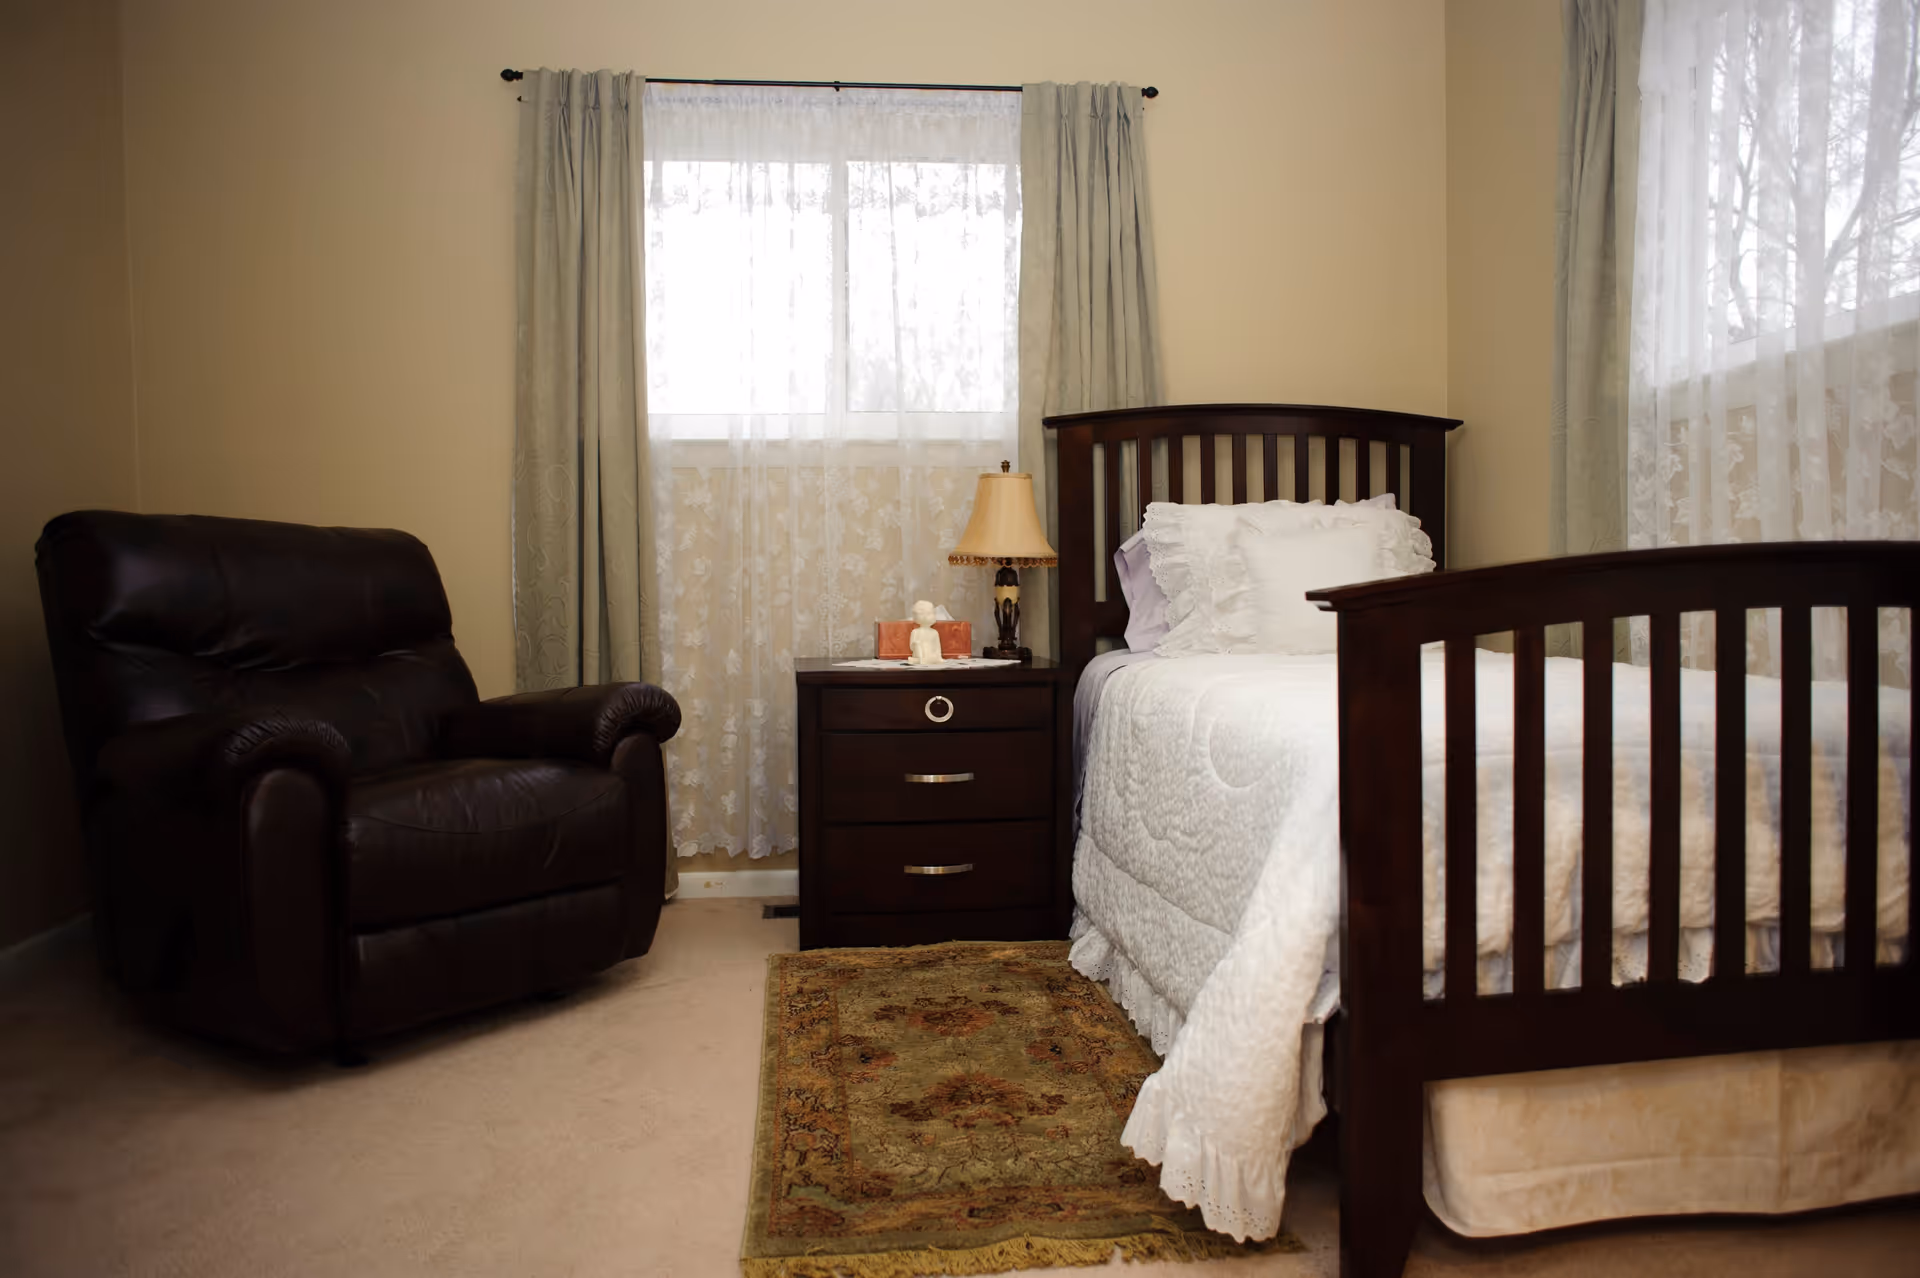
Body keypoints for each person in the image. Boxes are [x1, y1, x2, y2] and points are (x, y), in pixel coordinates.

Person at [907, 599, 945, 666]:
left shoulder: (934, 632)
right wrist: (916, 645)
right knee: (918, 646)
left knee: (933, 658)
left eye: (933, 613)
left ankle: (920, 660)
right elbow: (912, 646)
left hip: (931, 656)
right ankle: (920, 660)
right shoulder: (915, 632)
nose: (933, 616)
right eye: (930, 613)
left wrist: (937, 656)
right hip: (920, 655)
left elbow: (937, 648)